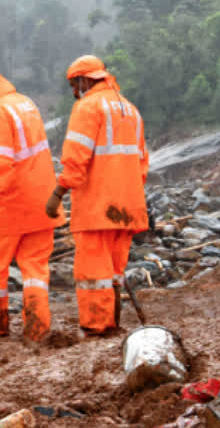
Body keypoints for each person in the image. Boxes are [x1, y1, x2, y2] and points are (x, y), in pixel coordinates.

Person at [47, 55, 149, 336]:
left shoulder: (87, 107)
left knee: (94, 272)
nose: (73, 92)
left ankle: (97, 326)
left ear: (84, 80)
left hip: (97, 206)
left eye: (74, 84)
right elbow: (142, 164)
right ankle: (113, 321)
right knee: (115, 270)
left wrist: (57, 194)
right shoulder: (131, 110)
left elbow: (76, 160)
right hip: (128, 205)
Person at [0, 62, 61, 341]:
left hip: (10, 205)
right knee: (35, 271)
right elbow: (18, 139)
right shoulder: (24, 103)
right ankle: (37, 330)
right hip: (42, 202)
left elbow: (0, 163)